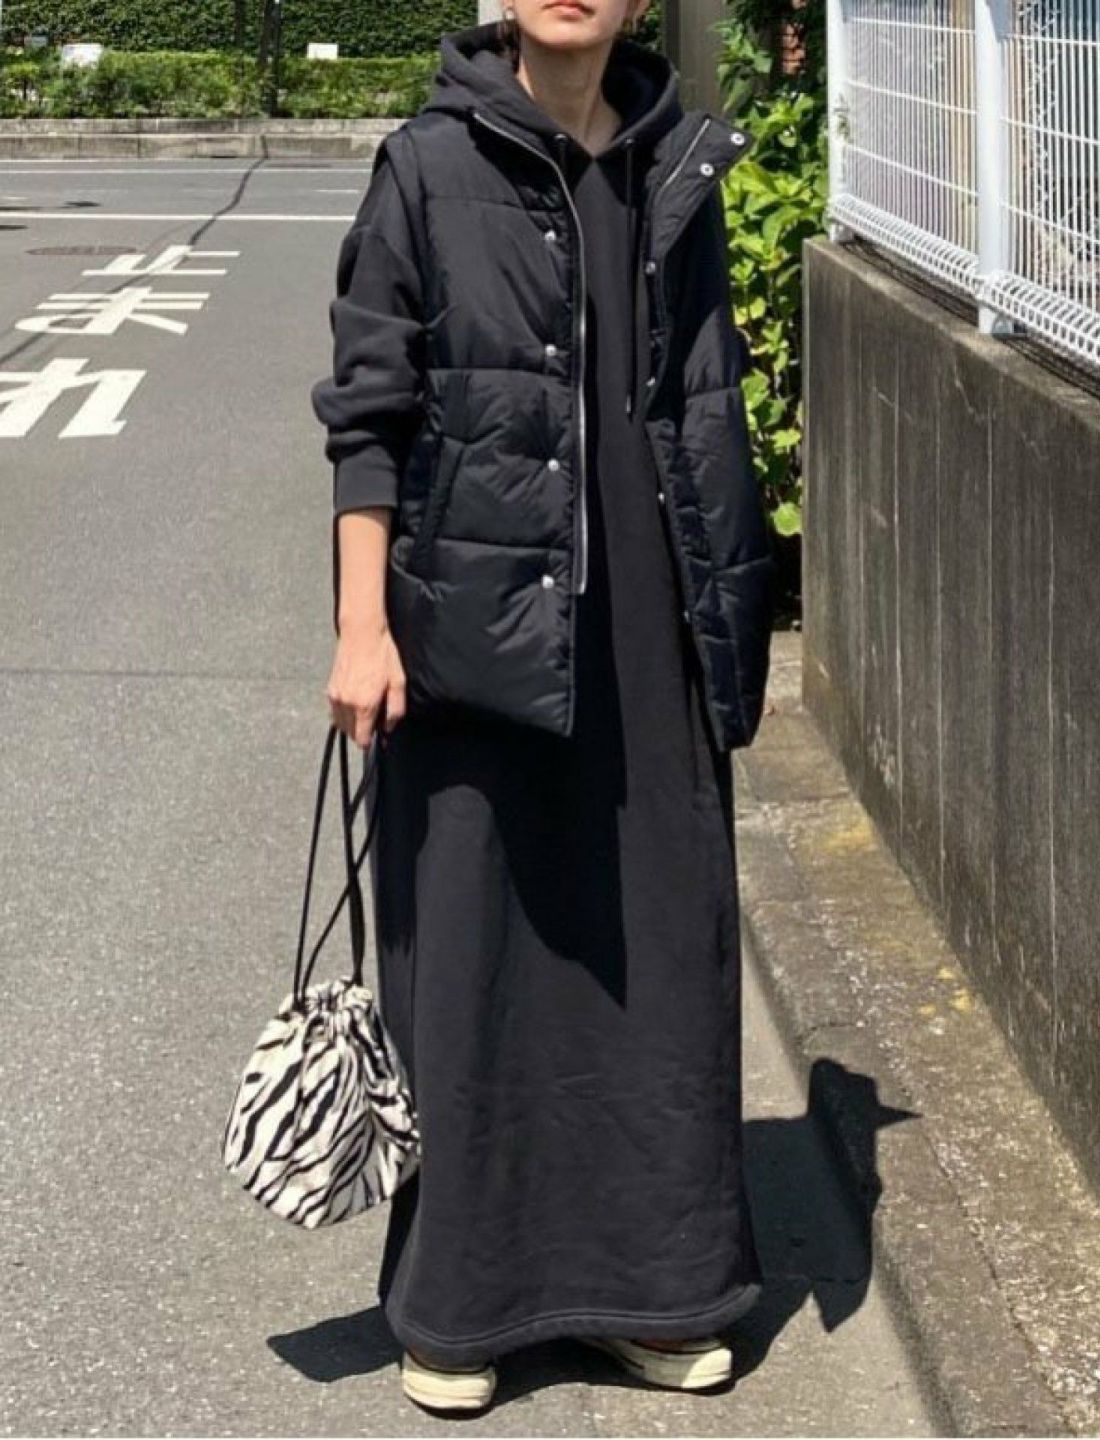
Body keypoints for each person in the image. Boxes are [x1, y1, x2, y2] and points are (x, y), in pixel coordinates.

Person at [310, 1, 774, 1415]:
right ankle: (460, 1307)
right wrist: (361, 624)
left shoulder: (677, 164)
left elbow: (709, 402)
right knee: (471, 961)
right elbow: (369, 411)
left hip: (652, 627)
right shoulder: (426, 165)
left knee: (657, 958)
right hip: (470, 632)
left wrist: (730, 613)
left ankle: (660, 1292)